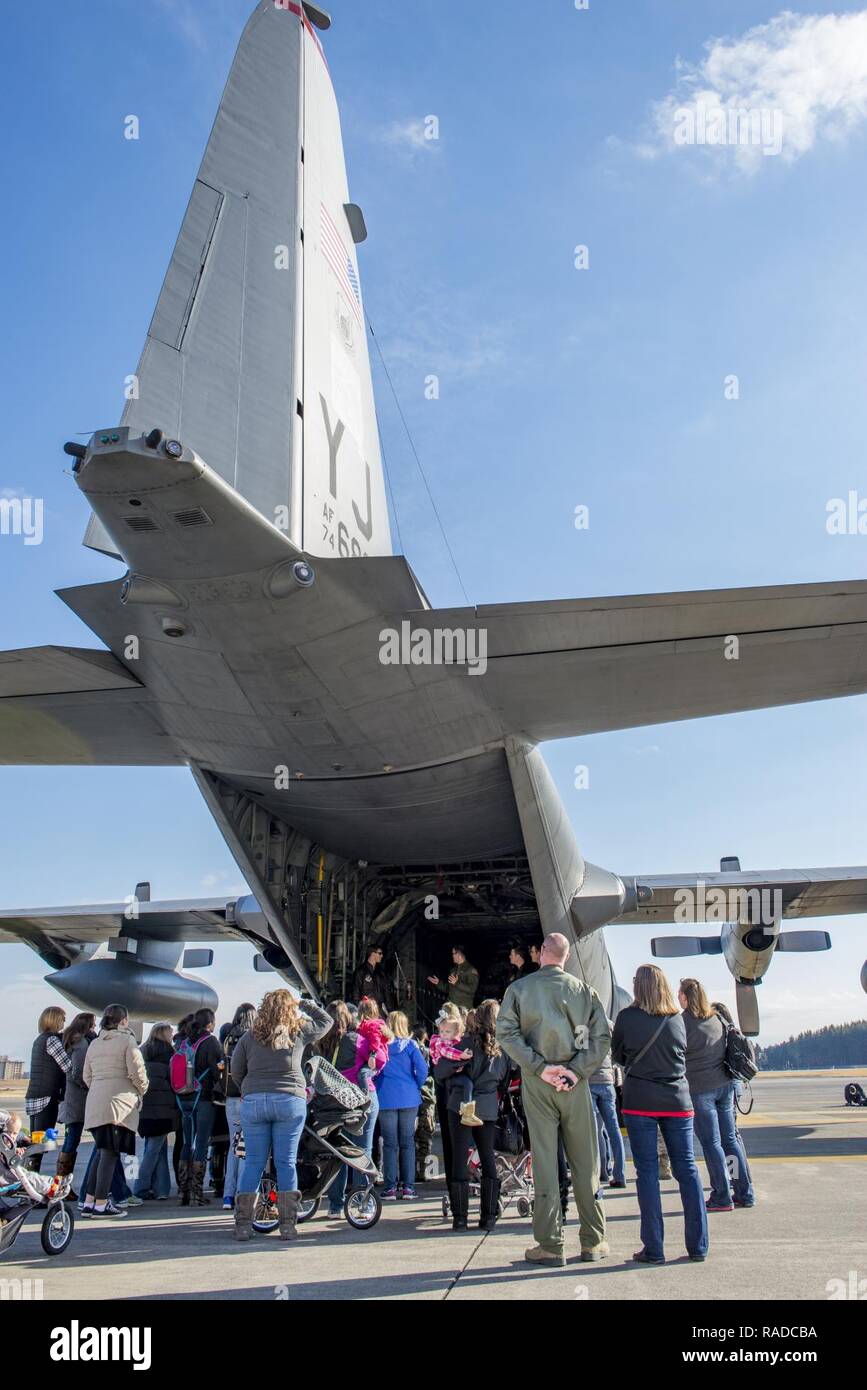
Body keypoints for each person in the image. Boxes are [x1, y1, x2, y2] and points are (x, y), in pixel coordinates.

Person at [497, 932, 611, 1266]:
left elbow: (506, 1033)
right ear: (567, 957)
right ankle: (593, 1240)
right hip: (574, 1085)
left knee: (545, 1162)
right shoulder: (584, 992)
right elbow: (602, 1037)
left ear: (542, 953)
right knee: (586, 1162)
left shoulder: (519, 990)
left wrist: (539, 1067)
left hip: (539, 1083)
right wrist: (575, 1071)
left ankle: (550, 1244)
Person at [611, 964, 708, 1265]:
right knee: (688, 1171)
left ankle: (654, 1248)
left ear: (638, 986)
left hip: (640, 1100)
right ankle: (698, 1246)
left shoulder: (626, 1017)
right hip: (677, 1102)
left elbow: (617, 1055)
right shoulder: (676, 1020)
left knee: (648, 1174)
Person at [230, 989, 331, 1241]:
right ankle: (287, 1226)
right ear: (290, 1008)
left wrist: (249, 1089)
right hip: (289, 1100)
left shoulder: (249, 1036)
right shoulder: (298, 1031)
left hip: (254, 1102)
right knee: (286, 1162)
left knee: (253, 1162)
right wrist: (304, 1003)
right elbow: (327, 1021)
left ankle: (243, 1225)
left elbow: (236, 1070)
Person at [680, 979, 755, 1212]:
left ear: (685, 996)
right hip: (725, 1086)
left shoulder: (682, 1022)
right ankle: (744, 1192)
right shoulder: (717, 1018)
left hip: (700, 1090)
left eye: (680, 994)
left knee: (711, 1143)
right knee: (730, 1140)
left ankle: (721, 1196)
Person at [436, 1000, 510, 1231]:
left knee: (459, 1158)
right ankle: (488, 1216)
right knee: (488, 1158)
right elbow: (505, 1080)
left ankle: (460, 1218)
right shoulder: (501, 1048)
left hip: (460, 1104)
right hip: (487, 1106)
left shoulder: (465, 1043)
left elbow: (439, 1072)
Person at [81, 1004, 148, 1219]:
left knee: (102, 1152)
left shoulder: (95, 1043)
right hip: (118, 1104)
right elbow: (137, 1071)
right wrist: (142, 1088)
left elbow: (86, 1076)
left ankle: (89, 1201)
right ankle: (101, 1204)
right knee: (110, 1154)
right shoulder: (127, 1041)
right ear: (123, 1021)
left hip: (95, 1102)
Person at [321, 1001, 386, 1217]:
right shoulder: (356, 1039)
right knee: (362, 1152)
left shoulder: (320, 1042)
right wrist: (369, 1069)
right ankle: (363, 1203)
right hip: (361, 1099)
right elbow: (381, 1059)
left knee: (337, 1152)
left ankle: (335, 1205)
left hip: (332, 1102)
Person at [375, 1011, 428, 1201]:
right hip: (409, 1098)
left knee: (389, 1145)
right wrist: (415, 1085)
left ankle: (390, 1187)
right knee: (407, 1143)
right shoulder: (411, 1045)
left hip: (386, 1098)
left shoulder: (381, 1045)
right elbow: (423, 1069)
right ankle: (408, 1188)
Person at [173, 1007, 223, 1208]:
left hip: (183, 1098)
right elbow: (218, 1070)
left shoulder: (184, 1043)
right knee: (201, 1143)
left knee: (186, 1143)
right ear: (210, 1024)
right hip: (203, 1098)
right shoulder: (211, 1042)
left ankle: (182, 1193)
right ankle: (196, 1193)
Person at [25, 1007, 72, 1171]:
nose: (65, 1023)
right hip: (46, 1098)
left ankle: (29, 1181)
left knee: (35, 1143)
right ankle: (31, 1183)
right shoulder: (52, 1040)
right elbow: (68, 1066)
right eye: (63, 1019)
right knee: (41, 1145)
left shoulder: (39, 1040)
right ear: (55, 1020)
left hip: (34, 1097)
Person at [56, 1012, 97, 1199]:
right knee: (72, 1140)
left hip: (73, 1099)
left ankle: (62, 1185)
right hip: (79, 1099)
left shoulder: (71, 1040)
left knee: (71, 1140)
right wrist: (90, 1084)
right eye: (93, 1024)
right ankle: (63, 1186)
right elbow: (78, 1073)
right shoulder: (81, 1044)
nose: (94, 1028)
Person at [134, 1023, 176, 1200]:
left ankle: (161, 1188)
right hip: (165, 1108)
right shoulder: (171, 1054)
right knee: (155, 1149)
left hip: (145, 1108)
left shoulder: (142, 1051)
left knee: (155, 1147)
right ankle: (141, 1187)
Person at [220, 1003, 256, 1211]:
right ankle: (244, 1193)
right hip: (248, 1097)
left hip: (230, 1099)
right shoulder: (252, 1038)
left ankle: (227, 1196)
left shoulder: (227, 1037)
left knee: (233, 1147)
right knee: (247, 1148)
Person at [589, 1045, 627, 1189]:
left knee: (593, 1132)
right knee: (614, 1130)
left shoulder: (580, 1025)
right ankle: (620, 1175)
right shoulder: (609, 1025)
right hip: (607, 1081)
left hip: (589, 1080)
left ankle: (597, 1174)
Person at [429, 1013, 478, 1125]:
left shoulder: (456, 1041)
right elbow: (447, 1052)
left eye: (447, 1032)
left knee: (468, 1084)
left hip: (451, 1073)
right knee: (467, 1083)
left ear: (456, 1033)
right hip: (448, 1076)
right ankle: (467, 1112)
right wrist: (461, 1055)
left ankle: (467, 1108)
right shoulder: (440, 1042)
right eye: (441, 1031)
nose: (443, 1034)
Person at [411, 1026, 437, 1182]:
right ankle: (424, 1172)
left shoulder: (409, 1051)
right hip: (426, 1099)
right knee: (425, 1137)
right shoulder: (427, 1052)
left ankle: (412, 1171)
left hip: (412, 1098)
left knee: (410, 1139)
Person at [428, 944, 479, 1011]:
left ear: (459, 954)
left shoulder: (470, 970)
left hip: (462, 1010)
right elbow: (449, 989)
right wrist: (438, 983)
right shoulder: (453, 970)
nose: (452, 956)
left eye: (453, 953)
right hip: (451, 1008)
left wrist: (457, 983)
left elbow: (472, 989)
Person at [352, 945, 391, 1012]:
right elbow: (356, 992)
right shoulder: (360, 971)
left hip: (379, 1009)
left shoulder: (381, 973)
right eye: (380, 953)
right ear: (372, 954)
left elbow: (386, 992)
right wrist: (360, 1009)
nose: (382, 956)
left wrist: (389, 1009)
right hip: (366, 1008)